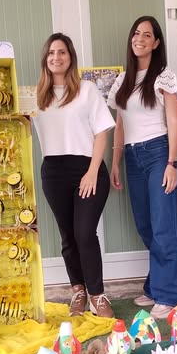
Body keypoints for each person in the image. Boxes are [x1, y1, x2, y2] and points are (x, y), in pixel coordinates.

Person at [107, 16, 177, 321]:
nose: (140, 38)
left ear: (156, 43)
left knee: (163, 224)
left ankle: (169, 295)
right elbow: (120, 123)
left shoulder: (164, 76)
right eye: (136, 33)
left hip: (159, 152)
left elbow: (174, 120)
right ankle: (155, 286)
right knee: (145, 225)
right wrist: (115, 161)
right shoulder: (122, 80)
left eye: (147, 35)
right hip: (132, 156)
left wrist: (172, 163)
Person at [34, 33, 115, 318]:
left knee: (84, 233)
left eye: (62, 52)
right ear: (45, 59)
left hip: (87, 168)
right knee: (68, 236)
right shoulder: (36, 96)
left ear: (70, 58)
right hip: (53, 172)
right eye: (51, 53)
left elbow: (102, 131)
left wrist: (92, 171)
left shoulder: (86, 90)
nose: (56, 57)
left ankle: (97, 295)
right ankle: (78, 291)